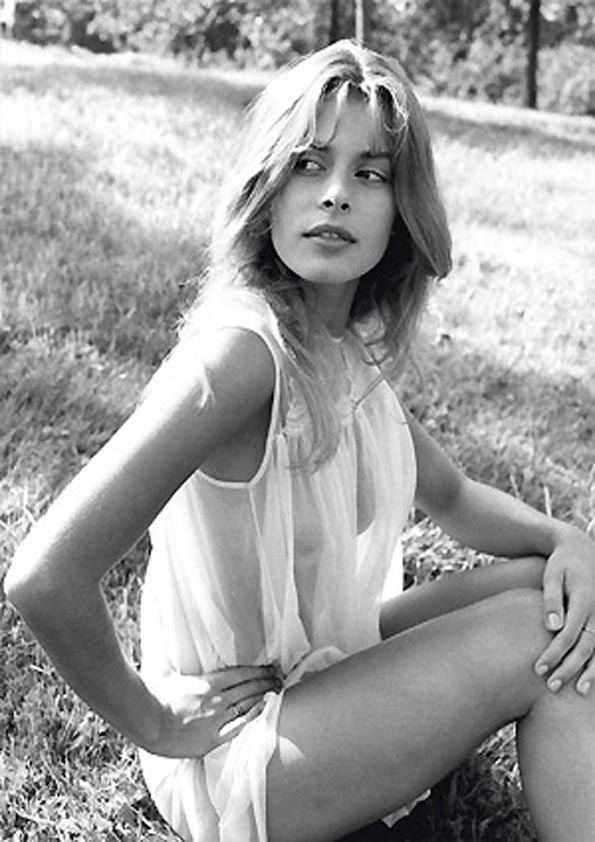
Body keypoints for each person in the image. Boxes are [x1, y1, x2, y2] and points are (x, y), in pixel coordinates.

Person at [5, 39, 595, 842]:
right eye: (308, 165)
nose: (335, 195)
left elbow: (452, 497)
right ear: (268, 188)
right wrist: (154, 723)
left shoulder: (340, 351)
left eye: (370, 174)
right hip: (243, 750)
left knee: (555, 591)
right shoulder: (241, 356)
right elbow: (45, 576)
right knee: (543, 629)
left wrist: (569, 541)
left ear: (401, 210)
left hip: (324, 671)